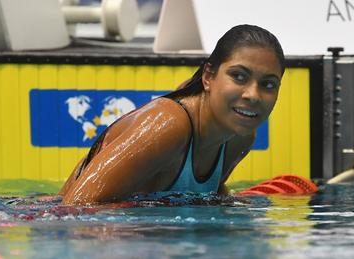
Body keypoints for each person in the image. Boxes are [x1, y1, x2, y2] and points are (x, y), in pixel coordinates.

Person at [60, 24, 285, 205]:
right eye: (238, 76)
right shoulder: (167, 126)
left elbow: (205, 198)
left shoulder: (240, 137)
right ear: (208, 76)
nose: (253, 95)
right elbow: (74, 209)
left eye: (268, 84)